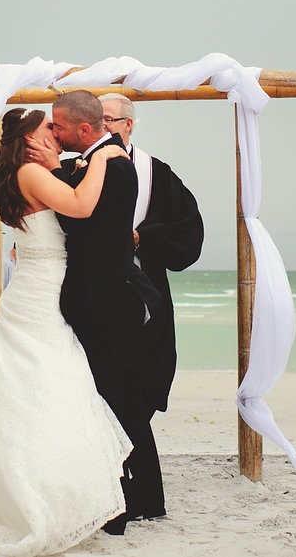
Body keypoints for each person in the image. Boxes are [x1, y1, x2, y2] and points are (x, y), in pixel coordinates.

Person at [0, 107, 134, 557]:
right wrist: (102, 159)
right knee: (47, 379)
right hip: (44, 286)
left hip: (31, 285)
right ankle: (37, 492)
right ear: (27, 137)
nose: (55, 133)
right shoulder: (32, 173)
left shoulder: (20, 174)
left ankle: (24, 483)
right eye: (47, 127)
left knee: (23, 378)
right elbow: (82, 207)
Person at [42, 90, 162, 533]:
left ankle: (135, 498)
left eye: (59, 126)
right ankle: (140, 495)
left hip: (106, 302)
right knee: (113, 397)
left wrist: (54, 170)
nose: (54, 132)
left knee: (119, 399)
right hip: (99, 298)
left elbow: (79, 221)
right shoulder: (98, 160)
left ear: (85, 129)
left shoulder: (110, 164)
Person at [100, 93, 204, 425]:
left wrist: (143, 237)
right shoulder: (79, 166)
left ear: (127, 124)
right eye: (96, 120)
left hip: (145, 288)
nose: (101, 126)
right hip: (93, 288)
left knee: (146, 375)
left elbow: (188, 230)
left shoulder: (156, 173)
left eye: (108, 119)